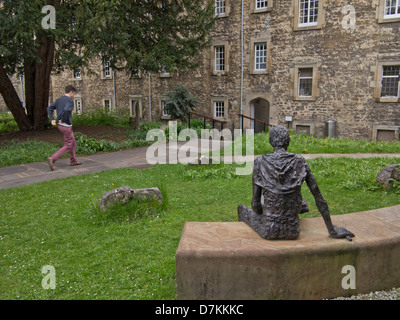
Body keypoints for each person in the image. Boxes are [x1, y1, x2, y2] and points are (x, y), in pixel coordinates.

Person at [238, 125, 354, 241]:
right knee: (299, 202)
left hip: (269, 230)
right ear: (287, 142)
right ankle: (297, 206)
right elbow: (319, 197)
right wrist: (332, 230)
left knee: (242, 209)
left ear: (271, 142)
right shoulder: (300, 161)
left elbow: (256, 206)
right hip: (292, 230)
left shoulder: (259, 162)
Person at [47, 85, 82, 171]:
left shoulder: (59, 100)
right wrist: (64, 120)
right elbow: (66, 110)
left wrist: (52, 119)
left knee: (73, 144)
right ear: (70, 92)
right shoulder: (70, 101)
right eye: (73, 93)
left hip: (61, 126)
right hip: (66, 126)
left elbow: (49, 108)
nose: (73, 95)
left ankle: (73, 160)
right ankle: (53, 158)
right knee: (68, 145)